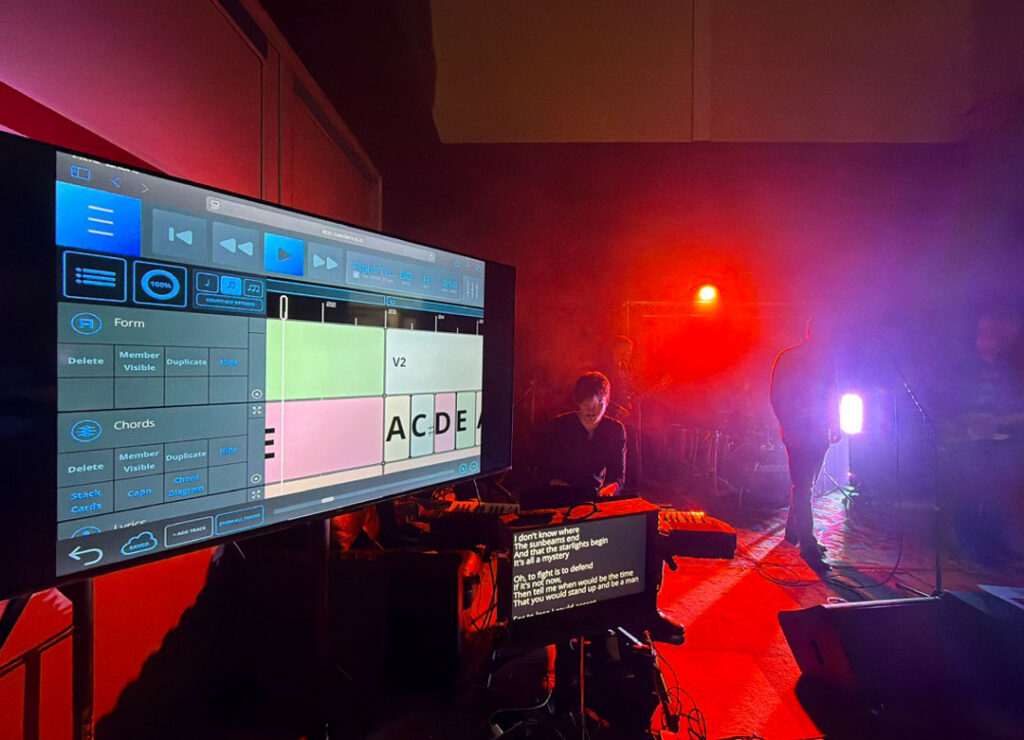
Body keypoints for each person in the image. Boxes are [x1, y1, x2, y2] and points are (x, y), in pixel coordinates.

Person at [940, 308, 1024, 564]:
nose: (988, 338)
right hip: (966, 438)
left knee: (1000, 483)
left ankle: (996, 543)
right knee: (967, 482)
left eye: (993, 332)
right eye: (983, 333)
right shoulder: (962, 368)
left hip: (1002, 438)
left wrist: (998, 422)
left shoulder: (1014, 368)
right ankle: (971, 545)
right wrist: (966, 423)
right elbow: (947, 406)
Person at [770, 318, 841, 570]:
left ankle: (793, 532)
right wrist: (786, 425)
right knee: (803, 486)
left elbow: (831, 394)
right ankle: (807, 544)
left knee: (805, 484)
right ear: (809, 331)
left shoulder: (816, 358)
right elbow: (776, 395)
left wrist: (836, 423)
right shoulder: (790, 357)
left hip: (813, 431)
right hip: (801, 431)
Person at [532, 371, 626, 508]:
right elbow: (541, 468)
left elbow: (618, 476)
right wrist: (554, 482)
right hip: (559, 498)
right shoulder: (558, 426)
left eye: (599, 403)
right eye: (587, 403)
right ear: (578, 401)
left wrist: (610, 489)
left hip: (596, 499)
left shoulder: (616, 431)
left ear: (607, 402)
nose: (592, 410)